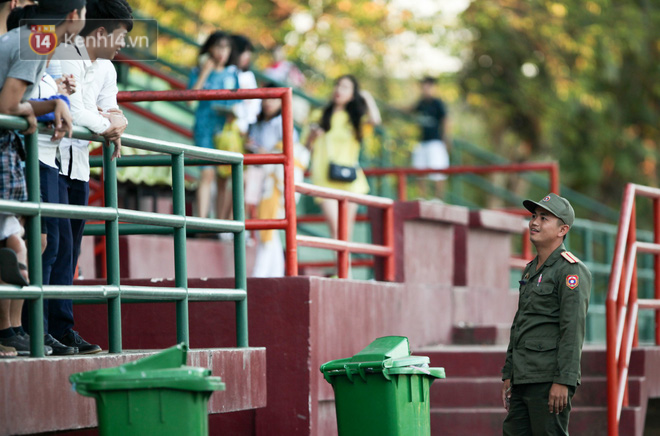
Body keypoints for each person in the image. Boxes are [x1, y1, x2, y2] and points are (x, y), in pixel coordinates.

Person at [47, 0, 132, 354]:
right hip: (49, 158)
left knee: (70, 249)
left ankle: (61, 328)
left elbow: (110, 107)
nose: (123, 45)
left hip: (78, 165)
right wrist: (107, 126)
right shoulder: (65, 52)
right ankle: (33, 328)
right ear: (99, 32)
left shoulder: (107, 68)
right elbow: (77, 111)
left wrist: (117, 120)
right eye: (121, 36)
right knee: (50, 243)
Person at [0, 0, 82, 355]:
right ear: (73, 17)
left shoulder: (29, 40)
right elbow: (7, 104)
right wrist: (33, 114)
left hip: (11, 150)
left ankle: (13, 330)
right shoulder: (34, 41)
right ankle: (9, 331)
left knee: (20, 241)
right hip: (6, 149)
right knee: (19, 243)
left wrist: (50, 105)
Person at [501, 193, 591, 436]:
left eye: (544, 217)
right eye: (533, 216)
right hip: (523, 376)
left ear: (563, 229)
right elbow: (520, 324)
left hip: (549, 379)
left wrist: (564, 380)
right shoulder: (531, 270)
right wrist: (509, 373)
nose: (534, 222)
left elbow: (572, 330)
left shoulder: (570, 271)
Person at [305, 75, 381, 241]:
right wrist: (313, 136)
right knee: (336, 230)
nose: (339, 90)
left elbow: (375, 120)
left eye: (346, 87)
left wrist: (367, 97)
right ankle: (342, 268)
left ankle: (344, 268)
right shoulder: (320, 115)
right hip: (324, 179)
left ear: (353, 94)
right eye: (338, 85)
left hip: (350, 180)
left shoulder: (355, 119)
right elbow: (306, 148)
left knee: (346, 234)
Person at [245, 92, 309, 277]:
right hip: (259, 177)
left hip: (274, 184)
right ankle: (274, 272)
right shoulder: (256, 124)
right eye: (266, 98)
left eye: (272, 99)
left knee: (269, 228)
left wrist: (266, 152)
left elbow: (293, 158)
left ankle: (263, 272)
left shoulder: (286, 130)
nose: (268, 103)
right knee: (266, 228)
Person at [189, 31, 239, 221]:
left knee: (222, 178)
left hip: (224, 132)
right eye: (218, 46)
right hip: (204, 129)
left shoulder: (232, 73)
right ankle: (202, 221)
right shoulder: (197, 71)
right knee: (207, 173)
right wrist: (205, 72)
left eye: (226, 47)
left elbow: (238, 103)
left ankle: (218, 224)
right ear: (210, 48)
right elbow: (190, 99)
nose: (222, 51)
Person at [411, 76, 451, 200]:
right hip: (422, 142)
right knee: (419, 169)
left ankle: (438, 199)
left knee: (438, 170)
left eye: (428, 86)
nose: (425, 89)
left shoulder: (438, 103)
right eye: (424, 86)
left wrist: (446, 139)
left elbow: (446, 120)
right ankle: (422, 197)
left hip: (436, 142)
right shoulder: (421, 103)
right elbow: (410, 109)